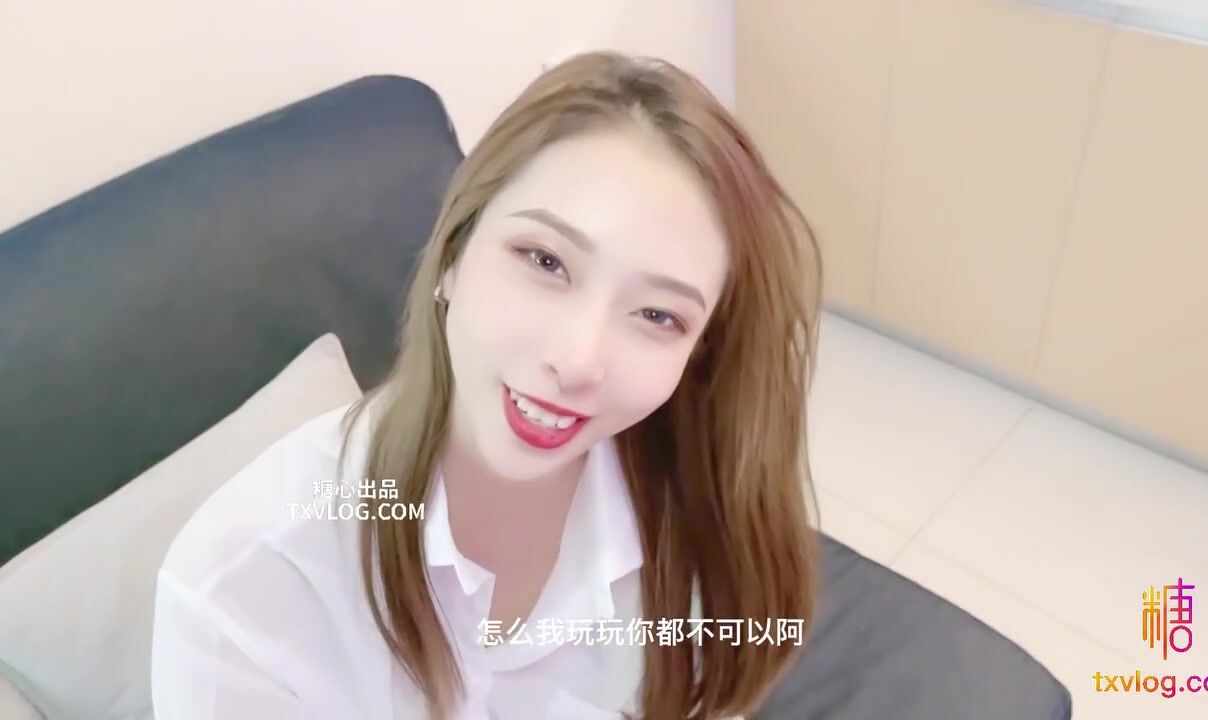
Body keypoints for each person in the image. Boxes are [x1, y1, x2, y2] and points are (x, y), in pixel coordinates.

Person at [151, 50, 823, 719]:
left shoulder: (706, 529)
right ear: (453, 252)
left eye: (657, 316)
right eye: (545, 261)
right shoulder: (242, 588)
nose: (577, 360)